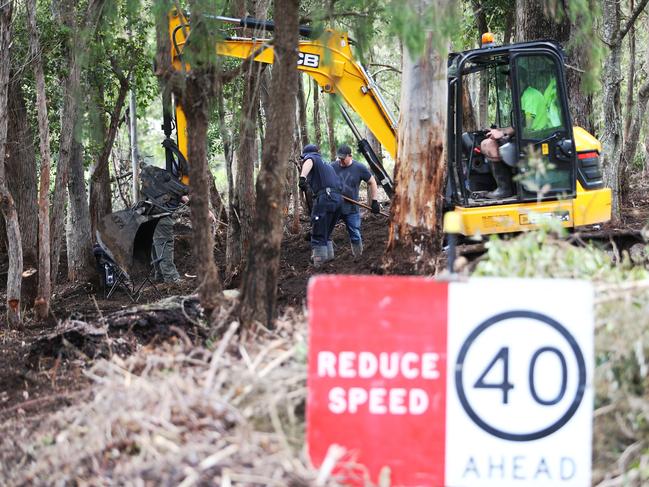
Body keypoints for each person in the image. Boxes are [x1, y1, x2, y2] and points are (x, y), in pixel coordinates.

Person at [480, 66, 560, 199]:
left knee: (489, 145)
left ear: (518, 79)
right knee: (490, 141)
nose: (507, 82)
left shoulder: (530, 96)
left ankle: (504, 189)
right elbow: (518, 124)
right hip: (528, 137)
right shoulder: (524, 95)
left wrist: (502, 134)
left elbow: (526, 125)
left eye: (509, 78)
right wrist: (500, 131)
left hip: (534, 139)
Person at [330, 144, 380, 257]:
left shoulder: (359, 168)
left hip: (351, 208)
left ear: (350, 156)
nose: (341, 161)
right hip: (335, 206)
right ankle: (326, 261)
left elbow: (372, 182)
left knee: (355, 234)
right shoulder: (332, 166)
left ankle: (359, 258)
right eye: (339, 158)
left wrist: (375, 201)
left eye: (343, 159)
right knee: (326, 232)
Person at [298, 143, 343, 267]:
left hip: (325, 198)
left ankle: (319, 264)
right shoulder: (327, 164)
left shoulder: (312, 158)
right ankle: (329, 261)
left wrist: (302, 177)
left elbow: (309, 161)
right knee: (326, 232)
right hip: (338, 199)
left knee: (318, 232)